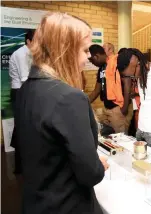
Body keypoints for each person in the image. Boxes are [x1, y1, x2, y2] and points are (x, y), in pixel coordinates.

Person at [14, 12, 108, 214]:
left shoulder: (25, 90)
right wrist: (97, 165)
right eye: (84, 50)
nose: (89, 57)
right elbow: (90, 174)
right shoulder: (69, 98)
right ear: (65, 50)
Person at [88, 44, 133, 135]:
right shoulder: (102, 68)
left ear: (96, 56)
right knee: (110, 140)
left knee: (120, 142)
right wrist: (83, 103)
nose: (92, 63)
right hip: (107, 109)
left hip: (119, 109)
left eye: (92, 61)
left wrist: (124, 108)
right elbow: (97, 90)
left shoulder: (117, 62)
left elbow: (127, 83)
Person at [9, 29, 35, 113]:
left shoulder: (30, 53)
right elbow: (24, 79)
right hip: (19, 91)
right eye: (36, 41)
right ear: (28, 41)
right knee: (21, 123)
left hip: (26, 90)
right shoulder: (21, 54)